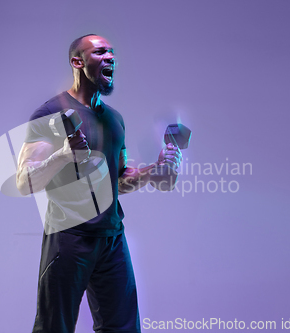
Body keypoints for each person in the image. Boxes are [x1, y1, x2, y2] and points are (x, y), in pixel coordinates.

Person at [16, 34, 182, 333]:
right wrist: (64, 156)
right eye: (100, 52)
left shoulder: (114, 120)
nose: (110, 57)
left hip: (111, 237)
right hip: (69, 237)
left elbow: (120, 182)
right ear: (77, 61)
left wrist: (155, 170)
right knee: (55, 328)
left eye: (112, 53)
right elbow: (24, 182)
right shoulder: (50, 114)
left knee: (123, 328)